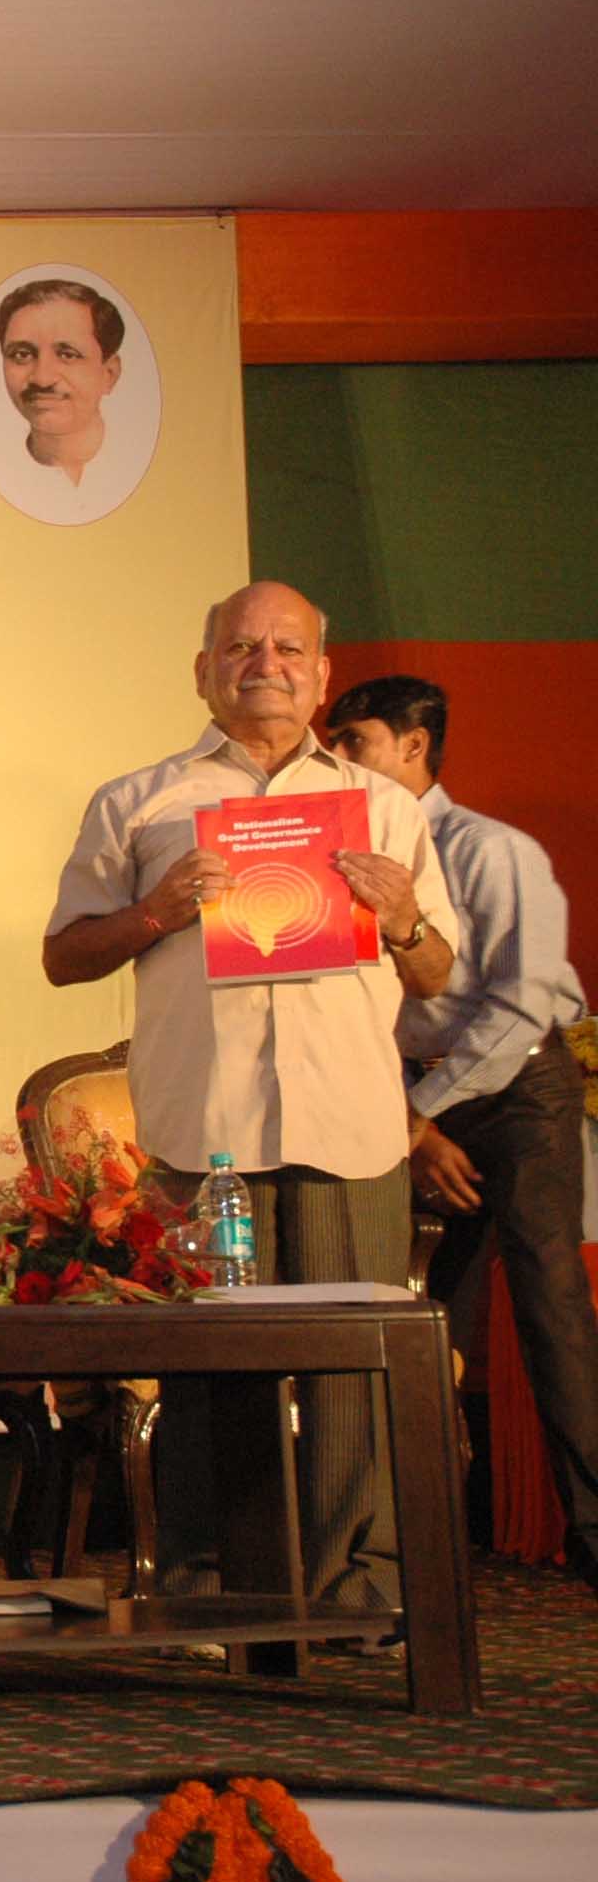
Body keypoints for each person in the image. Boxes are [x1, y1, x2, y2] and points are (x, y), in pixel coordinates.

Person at [45, 582, 457, 1613]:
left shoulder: (387, 808)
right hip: (201, 1133)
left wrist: (401, 917)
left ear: (319, 674)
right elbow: (63, 955)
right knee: (208, 1376)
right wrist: (151, 912)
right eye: (238, 646)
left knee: (347, 1377)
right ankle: (211, 1589)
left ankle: (353, 1594)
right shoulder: (136, 799)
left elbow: (436, 972)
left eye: (286, 648)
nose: (262, 663)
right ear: (202, 669)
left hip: (346, 1129)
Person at [327, 674, 598, 1593]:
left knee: (549, 1303)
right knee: (405, 1315)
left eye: (354, 741)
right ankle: (409, 1547)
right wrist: (413, 1121)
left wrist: (428, 1112)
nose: (338, 760)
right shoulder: (334, 853)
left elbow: (522, 1004)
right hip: (410, 1106)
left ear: (413, 745)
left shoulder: (490, 849)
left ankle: (592, 1537)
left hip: (518, 1093)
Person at [0, 278, 146, 524]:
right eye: (22, 354)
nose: (42, 378)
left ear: (109, 374)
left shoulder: (136, 466)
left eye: (67, 355)